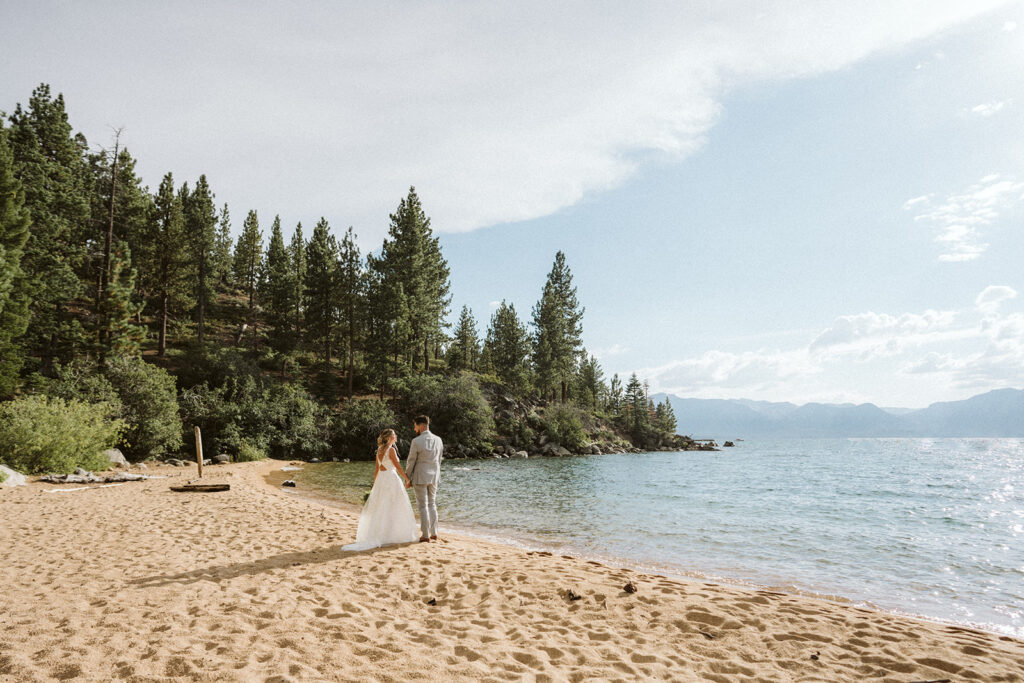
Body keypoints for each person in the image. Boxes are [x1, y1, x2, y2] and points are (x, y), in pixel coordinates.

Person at [342, 429, 419, 551]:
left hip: (381, 480)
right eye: (394, 435)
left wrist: (374, 484)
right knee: (394, 506)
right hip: (391, 479)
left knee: (382, 507)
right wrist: (407, 479)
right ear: (389, 438)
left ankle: (382, 534)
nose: (396, 436)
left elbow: (377, 469)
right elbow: (398, 466)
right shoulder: (391, 450)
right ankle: (391, 535)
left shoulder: (379, 450)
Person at [405, 415, 443, 542]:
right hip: (434, 476)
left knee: (422, 506)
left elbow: (411, 461)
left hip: (420, 475)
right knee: (432, 504)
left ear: (421, 426)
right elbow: (439, 459)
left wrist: (407, 477)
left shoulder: (416, 441)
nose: (414, 428)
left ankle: (425, 535)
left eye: (415, 426)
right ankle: (434, 533)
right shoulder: (438, 440)